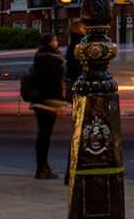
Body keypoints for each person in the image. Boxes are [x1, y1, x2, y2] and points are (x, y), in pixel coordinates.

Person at [31, 32, 65, 179]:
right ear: (50, 42)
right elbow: (55, 83)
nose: (57, 42)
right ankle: (43, 168)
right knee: (46, 135)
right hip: (49, 103)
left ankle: (41, 166)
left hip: (38, 101)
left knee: (42, 135)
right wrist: (60, 103)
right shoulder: (54, 58)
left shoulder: (39, 56)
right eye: (55, 39)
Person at [64, 19, 86, 185]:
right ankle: (73, 171)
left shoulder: (72, 45)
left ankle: (71, 172)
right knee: (81, 131)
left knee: (78, 130)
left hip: (73, 88)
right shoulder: (80, 45)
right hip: (81, 90)